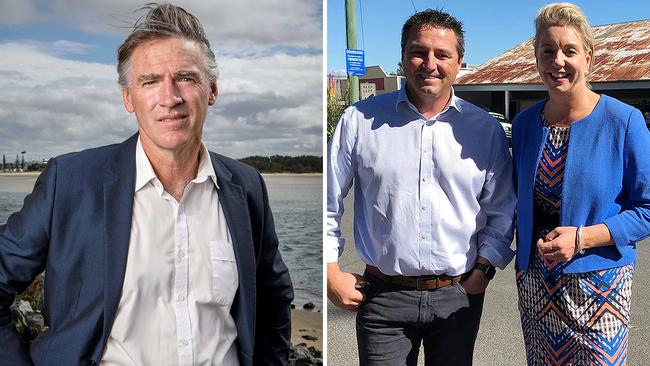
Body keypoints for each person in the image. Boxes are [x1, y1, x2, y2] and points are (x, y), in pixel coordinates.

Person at [0, 4, 293, 365]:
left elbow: (273, 295)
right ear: (128, 98)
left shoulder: (245, 187)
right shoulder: (71, 182)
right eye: (150, 81)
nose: (170, 98)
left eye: (185, 77)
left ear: (211, 90)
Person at [326, 8, 516, 366]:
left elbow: (502, 208)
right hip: (382, 298)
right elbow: (328, 200)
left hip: (458, 295)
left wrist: (484, 270)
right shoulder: (360, 121)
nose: (429, 63)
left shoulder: (484, 131)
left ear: (459, 62)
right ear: (402, 57)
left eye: (442, 54)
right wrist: (329, 271)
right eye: (418, 51)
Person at [512, 3, 650, 365]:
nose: (558, 60)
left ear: (588, 57)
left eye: (569, 51)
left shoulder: (624, 121)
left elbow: (647, 209)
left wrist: (582, 238)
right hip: (537, 286)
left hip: (600, 285)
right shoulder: (526, 124)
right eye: (548, 51)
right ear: (537, 57)